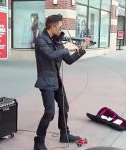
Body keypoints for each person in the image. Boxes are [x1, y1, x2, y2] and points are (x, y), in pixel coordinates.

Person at [33, 14, 91, 150]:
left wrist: (82, 48)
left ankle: (64, 134)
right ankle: (39, 141)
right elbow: (51, 55)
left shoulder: (57, 40)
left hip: (56, 80)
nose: (61, 30)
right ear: (52, 27)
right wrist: (67, 48)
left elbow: (69, 60)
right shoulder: (41, 40)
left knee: (64, 107)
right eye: (59, 27)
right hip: (46, 81)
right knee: (49, 113)